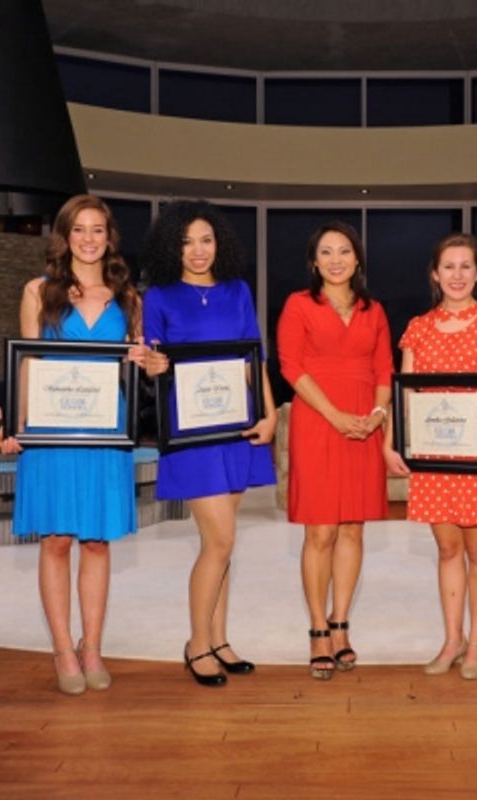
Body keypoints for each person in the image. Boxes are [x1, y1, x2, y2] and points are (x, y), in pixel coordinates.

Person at [0, 195, 146, 695]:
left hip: (105, 431)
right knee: (56, 539)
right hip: (52, 430)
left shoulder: (130, 300)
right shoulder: (38, 292)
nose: (88, 238)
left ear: (109, 237)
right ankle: (63, 648)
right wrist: (19, 425)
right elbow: (28, 363)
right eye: (79, 229)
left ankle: (93, 647)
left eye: (98, 229)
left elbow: (135, 365)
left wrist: (150, 363)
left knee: (97, 541)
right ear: (64, 236)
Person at [142, 199, 277, 687]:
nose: (197, 251)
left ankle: (219, 639)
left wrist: (268, 415)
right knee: (219, 541)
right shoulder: (158, 295)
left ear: (219, 243)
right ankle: (197, 644)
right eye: (186, 242)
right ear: (170, 247)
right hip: (193, 431)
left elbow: (252, 357)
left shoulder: (238, 290)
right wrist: (152, 365)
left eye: (206, 240)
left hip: (238, 427)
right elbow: (152, 359)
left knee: (221, 542)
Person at [384, 233, 477, 681]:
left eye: (466, 266)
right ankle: (451, 639)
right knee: (446, 549)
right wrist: (393, 443)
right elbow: (405, 394)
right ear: (435, 274)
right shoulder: (417, 328)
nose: (457, 275)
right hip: (434, 457)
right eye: (448, 266)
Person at [277, 222, 393, 680]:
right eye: (326, 252)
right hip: (318, 422)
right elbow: (291, 365)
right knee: (320, 531)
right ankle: (317, 629)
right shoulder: (299, 304)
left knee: (352, 530)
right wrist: (335, 415)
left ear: (357, 259)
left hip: (365, 426)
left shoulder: (374, 310)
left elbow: (384, 369)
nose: (336, 259)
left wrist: (378, 416)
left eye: (344, 251)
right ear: (314, 261)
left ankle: (341, 624)